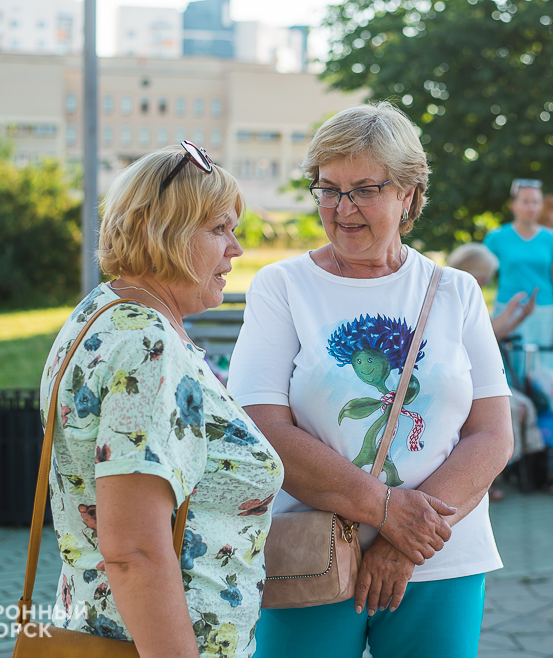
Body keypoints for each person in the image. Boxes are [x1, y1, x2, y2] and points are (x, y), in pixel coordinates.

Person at [227, 102, 513, 658]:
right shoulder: (283, 286)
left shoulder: (456, 292)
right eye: (328, 189)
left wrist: (405, 542)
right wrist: (384, 510)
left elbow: (492, 435)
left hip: (439, 560)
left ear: (407, 193)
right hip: (311, 558)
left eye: (364, 188)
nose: (342, 208)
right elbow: (261, 425)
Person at [38, 142, 283, 658]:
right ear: (162, 233)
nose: (235, 249)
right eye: (219, 229)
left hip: (98, 624)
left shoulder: (102, 311)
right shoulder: (148, 346)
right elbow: (134, 551)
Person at [446, 242, 540, 502]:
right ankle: (487, 479)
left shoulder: (461, 292)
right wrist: (512, 311)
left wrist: (518, 316)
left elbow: (490, 333)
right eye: (485, 275)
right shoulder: (456, 294)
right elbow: (488, 334)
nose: (488, 281)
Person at [485, 179, 553, 412]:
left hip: (546, 316)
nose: (531, 207)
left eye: (536, 202)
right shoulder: (496, 237)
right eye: (525, 201)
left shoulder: (551, 237)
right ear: (513, 205)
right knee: (513, 372)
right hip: (509, 313)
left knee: (549, 376)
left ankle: (552, 430)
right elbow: (480, 276)